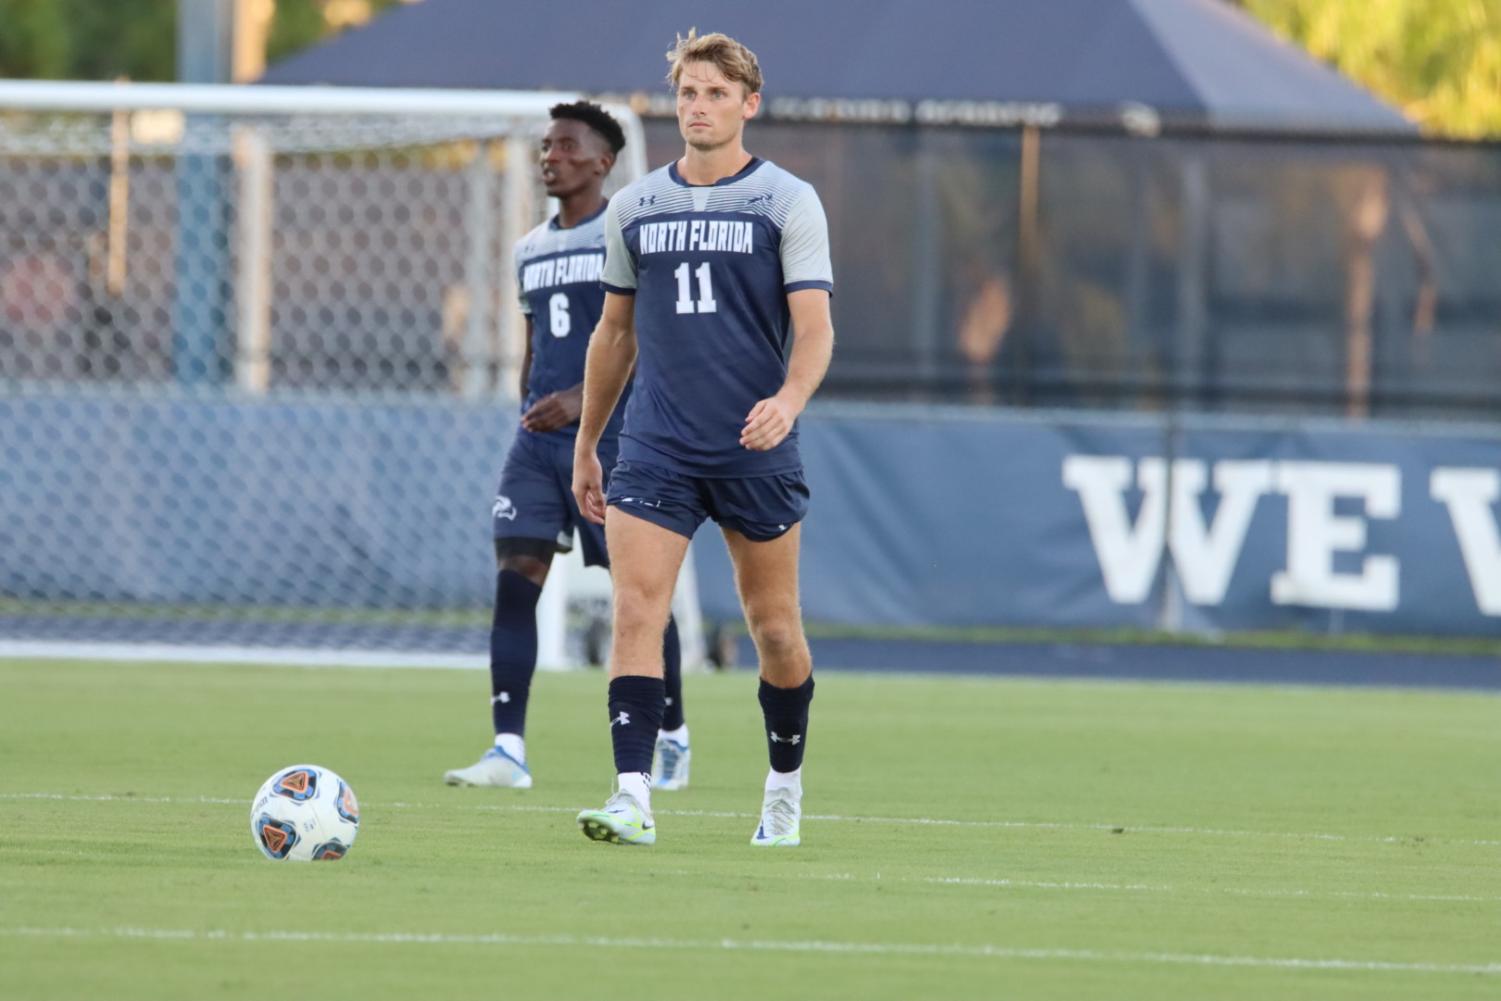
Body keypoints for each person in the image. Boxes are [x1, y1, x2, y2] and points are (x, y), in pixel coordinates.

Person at [571, 30, 835, 847]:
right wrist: (588, 442)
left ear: (748, 104)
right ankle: (630, 795)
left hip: (753, 445)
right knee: (635, 609)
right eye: (688, 92)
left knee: (776, 629)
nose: (699, 106)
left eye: (716, 93)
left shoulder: (785, 200)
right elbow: (613, 334)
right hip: (656, 444)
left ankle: (783, 788)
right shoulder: (634, 206)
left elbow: (816, 328)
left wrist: (788, 399)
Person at [445, 101, 692, 791]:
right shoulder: (529, 247)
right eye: (546, 144)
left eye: (564, 145)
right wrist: (533, 404)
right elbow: (535, 348)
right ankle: (507, 750)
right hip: (538, 443)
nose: (548, 155)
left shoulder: (630, 230)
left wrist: (585, 401)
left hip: (616, 440)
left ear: (602, 161)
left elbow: (655, 340)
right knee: (513, 581)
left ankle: (670, 734)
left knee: (637, 592)